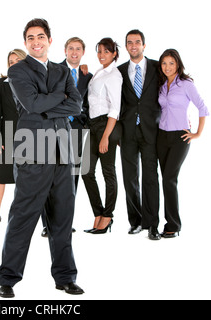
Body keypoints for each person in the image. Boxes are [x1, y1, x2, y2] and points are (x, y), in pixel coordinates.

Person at [0, 18, 84, 298]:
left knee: (62, 217)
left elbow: (77, 103)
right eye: (31, 38)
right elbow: (31, 104)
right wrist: (58, 100)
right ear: (25, 43)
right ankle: (7, 279)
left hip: (62, 150)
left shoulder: (60, 69)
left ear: (49, 40)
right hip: (32, 148)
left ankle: (65, 277)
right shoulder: (18, 70)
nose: (36, 42)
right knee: (24, 214)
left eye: (41, 37)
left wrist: (47, 106)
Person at [41, 37, 93, 237]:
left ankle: (64, 223)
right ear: (64, 50)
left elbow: (89, 102)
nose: (74, 52)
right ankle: (48, 223)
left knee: (72, 177)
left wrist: (83, 118)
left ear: (82, 52)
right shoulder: (53, 71)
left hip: (78, 130)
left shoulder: (88, 75)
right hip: (55, 127)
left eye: (78, 49)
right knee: (50, 175)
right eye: (71, 48)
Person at [157, 49, 209, 238]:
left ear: (177, 64)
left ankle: (173, 224)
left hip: (180, 137)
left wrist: (197, 133)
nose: (167, 67)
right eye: (164, 63)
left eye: (171, 63)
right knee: (165, 179)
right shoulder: (162, 85)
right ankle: (167, 221)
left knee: (170, 179)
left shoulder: (186, 84)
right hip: (161, 137)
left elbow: (202, 108)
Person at [118, 29, 161, 240]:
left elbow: (171, 90)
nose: (133, 45)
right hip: (127, 132)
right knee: (130, 177)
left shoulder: (156, 67)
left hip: (151, 130)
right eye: (129, 42)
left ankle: (152, 224)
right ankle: (135, 221)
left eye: (137, 42)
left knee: (151, 177)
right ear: (126, 46)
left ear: (144, 45)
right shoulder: (119, 71)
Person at [82, 38, 122, 234]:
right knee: (86, 170)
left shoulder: (114, 75)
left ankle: (108, 216)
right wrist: (85, 71)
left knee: (108, 172)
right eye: (99, 51)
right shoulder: (99, 72)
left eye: (106, 51)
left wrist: (106, 135)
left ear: (114, 53)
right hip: (92, 124)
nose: (101, 55)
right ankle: (98, 213)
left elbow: (115, 108)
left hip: (106, 125)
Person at [0, 49, 27, 234]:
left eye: (17, 60)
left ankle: (22, 220)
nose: (13, 64)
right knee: (2, 175)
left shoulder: (33, 81)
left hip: (29, 135)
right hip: (7, 134)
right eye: (10, 61)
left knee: (27, 179)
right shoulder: (2, 83)